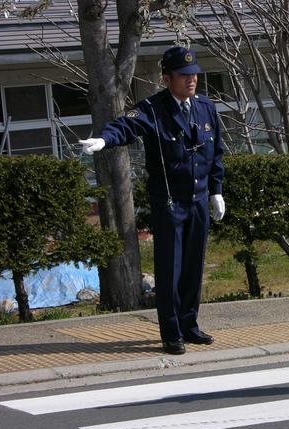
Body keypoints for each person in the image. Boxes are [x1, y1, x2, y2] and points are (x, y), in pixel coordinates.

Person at [80, 46, 225, 355]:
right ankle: (171, 332)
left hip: (198, 200)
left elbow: (216, 154)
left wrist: (216, 190)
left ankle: (190, 324)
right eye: (184, 76)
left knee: (193, 267)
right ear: (166, 78)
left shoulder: (205, 107)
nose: (191, 80)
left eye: (194, 74)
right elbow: (126, 126)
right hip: (170, 201)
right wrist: (104, 139)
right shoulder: (154, 109)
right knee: (170, 268)